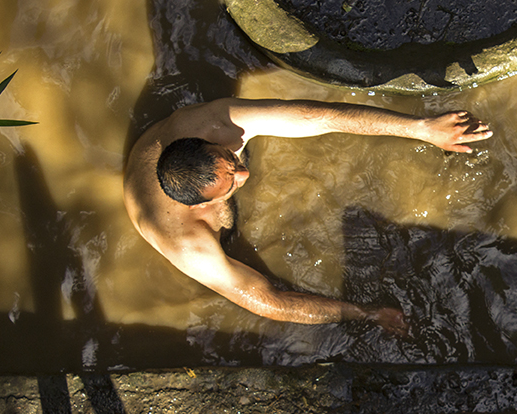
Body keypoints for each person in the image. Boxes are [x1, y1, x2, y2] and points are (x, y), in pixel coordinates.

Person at [123, 98, 492, 334]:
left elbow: (316, 116)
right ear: (198, 206)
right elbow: (269, 301)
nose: (245, 175)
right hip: (184, 214)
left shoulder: (211, 123)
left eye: (232, 161)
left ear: (204, 142)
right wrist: (365, 313)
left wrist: (421, 129)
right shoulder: (188, 244)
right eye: (232, 183)